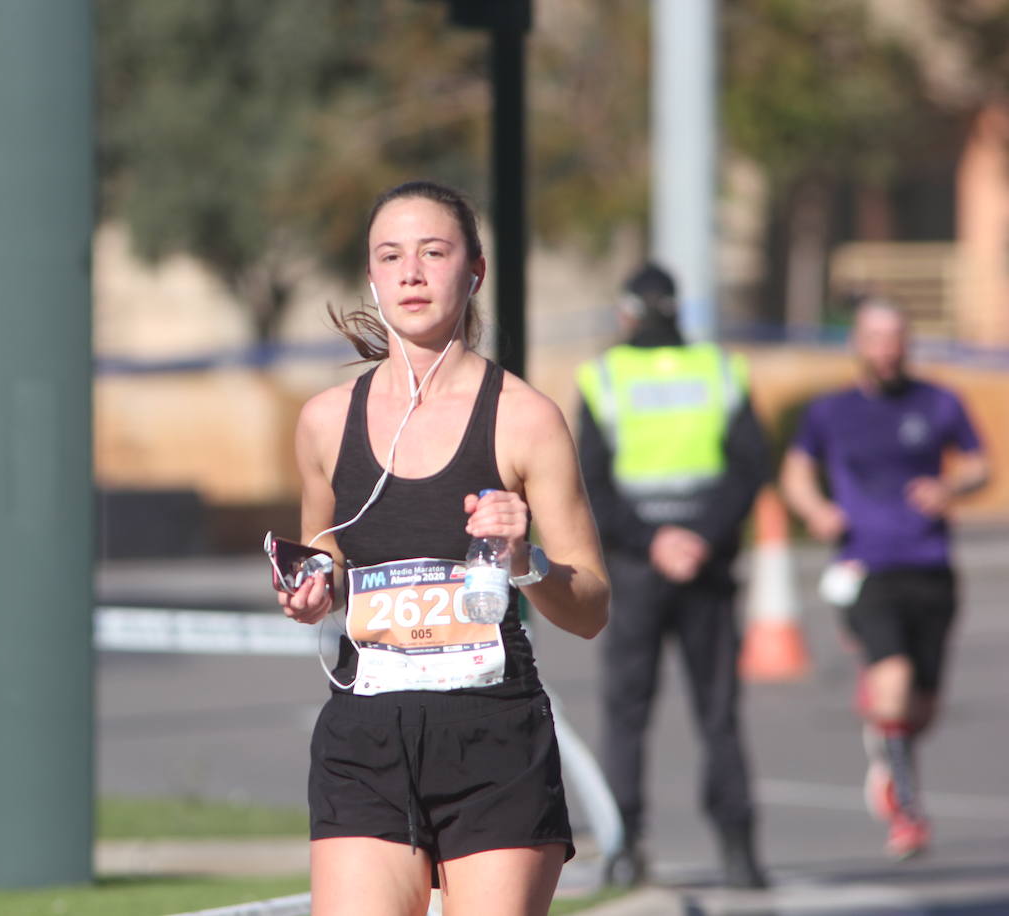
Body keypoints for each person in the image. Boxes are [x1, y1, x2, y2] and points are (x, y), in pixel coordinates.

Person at [277, 180, 610, 916]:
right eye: (390, 256)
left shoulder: (526, 420)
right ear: (371, 276)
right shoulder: (325, 423)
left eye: (434, 252)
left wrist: (528, 561)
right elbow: (324, 556)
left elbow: (590, 608)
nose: (412, 273)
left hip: (492, 738)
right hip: (364, 737)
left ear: (475, 271)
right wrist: (312, 590)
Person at [574, 264, 770, 889]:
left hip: (638, 566)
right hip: (705, 565)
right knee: (718, 712)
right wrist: (700, 538)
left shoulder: (603, 377)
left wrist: (654, 540)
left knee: (628, 711)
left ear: (627, 313)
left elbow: (591, 485)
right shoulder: (718, 370)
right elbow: (749, 467)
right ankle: (740, 854)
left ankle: (624, 845)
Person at [780, 298, 988, 860]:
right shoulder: (831, 411)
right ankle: (908, 815)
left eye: (896, 338)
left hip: (930, 565)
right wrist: (816, 510)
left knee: (921, 709)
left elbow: (978, 462)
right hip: (864, 566)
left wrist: (953, 489)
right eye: (875, 338)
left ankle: (887, 749)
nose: (887, 349)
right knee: (892, 681)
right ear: (859, 344)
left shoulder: (940, 402)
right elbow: (796, 472)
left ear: (908, 342)